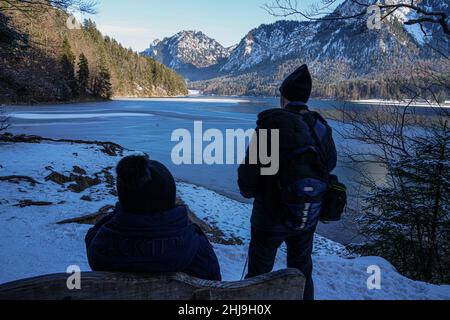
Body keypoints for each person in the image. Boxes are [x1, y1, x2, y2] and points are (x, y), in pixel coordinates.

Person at [238, 64, 337, 300]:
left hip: (268, 216)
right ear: (306, 97)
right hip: (306, 212)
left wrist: (255, 190)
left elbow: (248, 178)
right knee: (301, 270)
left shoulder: (270, 126)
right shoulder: (321, 127)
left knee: (259, 272)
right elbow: (329, 165)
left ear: (283, 98)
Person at [85, 155, 221, 281]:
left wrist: (121, 211)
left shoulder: (101, 246)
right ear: (170, 196)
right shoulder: (196, 246)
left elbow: (92, 234)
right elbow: (214, 282)